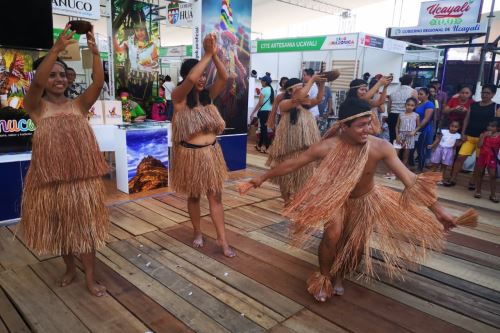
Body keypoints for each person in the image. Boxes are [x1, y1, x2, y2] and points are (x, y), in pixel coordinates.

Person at [239, 98, 473, 302]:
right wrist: (259, 179)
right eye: (361, 125)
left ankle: (341, 274)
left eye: (369, 123)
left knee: (355, 244)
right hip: (335, 198)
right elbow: (294, 163)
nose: (368, 129)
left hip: (365, 199)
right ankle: (324, 276)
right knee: (332, 234)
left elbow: (411, 180)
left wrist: (439, 211)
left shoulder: (380, 147)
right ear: (344, 126)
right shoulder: (328, 147)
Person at [20, 25, 108, 296]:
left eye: (62, 74)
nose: (59, 79)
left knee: (86, 232)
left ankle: (90, 278)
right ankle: (70, 269)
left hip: (82, 184)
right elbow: (35, 84)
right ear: (44, 78)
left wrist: (95, 53)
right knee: (62, 232)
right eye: (53, 74)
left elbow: (97, 83)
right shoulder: (36, 107)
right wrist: (56, 49)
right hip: (51, 185)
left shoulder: (79, 105)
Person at [171, 33, 235, 257]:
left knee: (216, 197)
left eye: (203, 75)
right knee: (194, 196)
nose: (200, 78)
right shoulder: (178, 98)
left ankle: (223, 240)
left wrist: (214, 55)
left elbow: (224, 76)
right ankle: (198, 231)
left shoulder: (208, 96)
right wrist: (207, 54)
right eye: (197, 73)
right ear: (187, 74)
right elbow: (190, 81)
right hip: (191, 155)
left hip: (212, 153)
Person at [265, 76, 325, 203]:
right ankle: (287, 201)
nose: (303, 90)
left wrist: (322, 85)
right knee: (286, 178)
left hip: (304, 150)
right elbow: (297, 98)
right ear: (290, 91)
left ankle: (297, 202)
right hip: (288, 149)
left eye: (303, 87)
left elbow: (319, 99)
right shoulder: (284, 104)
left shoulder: (306, 105)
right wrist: (312, 80)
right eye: (300, 87)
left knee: (303, 178)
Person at [445, 84, 500, 188]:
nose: (484, 95)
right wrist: (463, 133)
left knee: (479, 163)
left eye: (488, 93)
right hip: (469, 137)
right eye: (483, 92)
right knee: (460, 157)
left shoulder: (496, 107)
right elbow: (467, 119)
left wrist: (491, 134)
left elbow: (498, 124)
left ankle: (473, 181)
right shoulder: (474, 105)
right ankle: (453, 178)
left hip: (484, 140)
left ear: (493, 94)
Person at [474, 120, 500, 202]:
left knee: (492, 175)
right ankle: (478, 191)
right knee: (480, 173)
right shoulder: (483, 134)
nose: (490, 128)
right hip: (482, 155)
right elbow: (479, 146)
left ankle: (493, 194)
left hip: (492, 157)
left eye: (493, 126)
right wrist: (483, 137)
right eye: (489, 126)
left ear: (498, 128)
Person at [388, 75, 418, 144]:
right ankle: (401, 154)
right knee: (405, 139)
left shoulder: (393, 92)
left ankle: (392, 153)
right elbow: (415, 106)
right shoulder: (413, 91)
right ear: (411, 82)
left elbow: (389, 107)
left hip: (392, 116)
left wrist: (390, 115)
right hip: (405, 116)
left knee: (393, 137)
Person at [412, 87, 435, 172]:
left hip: (424, 129)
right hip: (417, 129)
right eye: (418, 94)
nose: (419, 95)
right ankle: (413, 165)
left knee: (421, 149)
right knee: (415, 147)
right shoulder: (419, 104)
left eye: (421, 94)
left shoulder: (429, 104)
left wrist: (417, 128)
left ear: (427, 95)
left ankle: (420, 168)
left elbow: (426, 119)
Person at [250, 73, 274, 153]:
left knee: (263, 130)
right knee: (265, 129)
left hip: (263, 112)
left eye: (261, 81)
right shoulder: (271, 89)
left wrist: (253, 112)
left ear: (264, 82)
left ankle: (266, 147)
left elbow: (260, 103)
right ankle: (260, 146)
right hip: (269, 112)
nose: (261, 82)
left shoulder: (263, 90)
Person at [395, 97, 420, 167]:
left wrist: (414, 131)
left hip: (410, 136)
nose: (409, 107)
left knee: (406, 155)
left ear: (415, 106)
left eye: (412, 105)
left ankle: (402, 170)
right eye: (408, 105)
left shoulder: (416, 115)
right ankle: (393, 170)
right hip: (400, 135)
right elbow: (397, 126)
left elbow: (419, 126)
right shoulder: (401, 114)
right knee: (395, 153)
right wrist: (397, 136)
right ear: (405, 105)